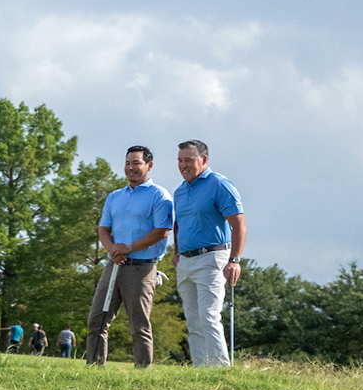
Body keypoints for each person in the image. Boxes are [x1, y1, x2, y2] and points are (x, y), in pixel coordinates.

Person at [87, 146, 174, 367]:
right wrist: (113, 250)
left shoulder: (159, 195)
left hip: (142, 268)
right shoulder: (115, 196)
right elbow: (103, 229)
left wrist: (128, 247)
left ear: (149, 165)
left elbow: (161, 231)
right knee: (97, 320)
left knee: (139, 325)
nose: (130, 168)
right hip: (114, 265)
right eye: (127, 163)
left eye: (136, 163)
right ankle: (93, 369)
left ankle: (142, 372)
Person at [169, 140, 246, 367]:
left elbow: (239, 224)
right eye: (180, 161)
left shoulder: (219, 184)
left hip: (212, 258)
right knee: (193, 320)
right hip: (186, 260)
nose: (183, 165)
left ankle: (220, 369)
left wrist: (235, 260)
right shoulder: (180, 191)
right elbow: (179, 225)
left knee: (209, 316)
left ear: (203, 160)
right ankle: (200, 370)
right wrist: (177, 252)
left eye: (188, 160)